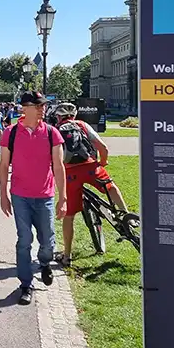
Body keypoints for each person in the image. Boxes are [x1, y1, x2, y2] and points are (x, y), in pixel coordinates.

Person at [0, 91, 67, 306]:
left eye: (43, 105)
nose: (42, 109)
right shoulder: (10, 133)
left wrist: (62, 197)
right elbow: (2, 166)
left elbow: (58, 166)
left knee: (47, 241)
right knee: (24, 240)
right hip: (20, 196)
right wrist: (3, 195)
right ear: (24, 108)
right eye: (37, 105)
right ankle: (25, 284)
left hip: (45, 195)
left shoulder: (51, 133)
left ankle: (45, 263)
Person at [52, 102, 131, 267]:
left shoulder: (54, 131)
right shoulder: (82, 125)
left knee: (69, 216)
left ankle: (67, 255)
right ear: (73, 116)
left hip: (70, 173)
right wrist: (103, 162)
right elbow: (103, 147)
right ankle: (126, 215)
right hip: (90, 167)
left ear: (58, 117)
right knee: (110, 186)